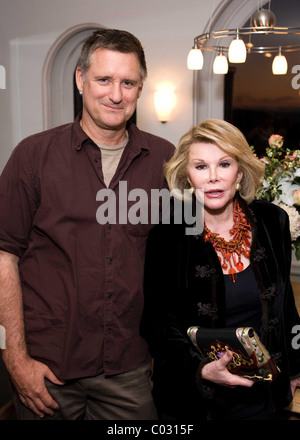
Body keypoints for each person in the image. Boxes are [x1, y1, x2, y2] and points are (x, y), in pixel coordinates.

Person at [0, 28, 175, 420]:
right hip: (47, 368)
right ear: (80, 80)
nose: (116, 94)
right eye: (104, 80)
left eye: (128, 83)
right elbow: (3, 257)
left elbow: (181, 255)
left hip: (129, 367)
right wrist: (15, 360)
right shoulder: (33, 156)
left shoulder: (164, 159)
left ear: (141, 88)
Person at [141, 119, 300, 420]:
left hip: (262, 397)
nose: (213, 177)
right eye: (200, 166)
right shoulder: (168, 235)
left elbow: (286, 307)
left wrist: (294, 369)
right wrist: (201, 369)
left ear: (240, 171)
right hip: (193, 401)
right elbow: (156, 324)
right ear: (187, 176)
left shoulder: (272, 221)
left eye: (224, 164)